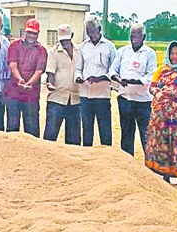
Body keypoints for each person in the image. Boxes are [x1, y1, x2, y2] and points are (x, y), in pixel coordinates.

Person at [145, 41, 177, 188]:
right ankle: (164, 174)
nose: (174, 57)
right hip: (162, 114)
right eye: (172, 53)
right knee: (163, 143)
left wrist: (174, 94)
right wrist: (161, 93)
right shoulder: (161, 70)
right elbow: (152, 88)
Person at [110, 23, 157, 156]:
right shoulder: (122, 51)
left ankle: (151, 168)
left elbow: (150, 76)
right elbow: (112, 70)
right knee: (126, 135)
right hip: (125, 99)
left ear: (144, 37)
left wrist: (134, 81)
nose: (134, 39)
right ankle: (128, 168)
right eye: (132, 36)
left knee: (146, 136)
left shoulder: (149, 53)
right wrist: (119, 79)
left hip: (142, 101)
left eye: (137, 36)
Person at [75, 15, 116, 147]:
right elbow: (78, 68)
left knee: (105, 130)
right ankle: (88, 160)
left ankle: (108, 158)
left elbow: (114, 69)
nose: (90, 34)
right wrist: (79, 78)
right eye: (88, 31)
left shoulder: (109, 46)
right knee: (87, 130)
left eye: (92, 31)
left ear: (99, 29)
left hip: (102, 95)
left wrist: (101, 77)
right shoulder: (83, 47)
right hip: (85, 95)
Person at [5, 18, 47, 137]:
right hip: (14, 93)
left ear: (38, 34)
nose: (31, 36)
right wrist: (20, 79)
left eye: (34, 33)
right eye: (29, 32)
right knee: (12, 128)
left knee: (32, 128)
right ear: (25, 31)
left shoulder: (41, 50)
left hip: (31, 95)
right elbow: (13, 65)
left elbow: (39, 71)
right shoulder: (14, 46)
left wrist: (29, 83)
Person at [43, 23, 81, 145]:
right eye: (62, 40)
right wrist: (50, 84)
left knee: (74, 138)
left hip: (75, 99)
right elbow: (50, 73)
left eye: (66, 39)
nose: (64, 42)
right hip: (57, 98)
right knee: (50, 135)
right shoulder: (53, 52)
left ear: (72, 36)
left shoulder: (79, 51)